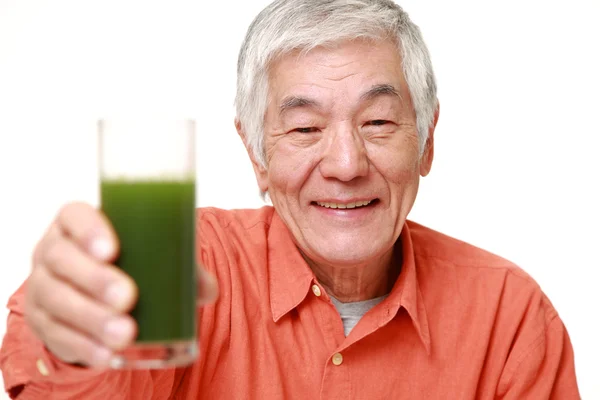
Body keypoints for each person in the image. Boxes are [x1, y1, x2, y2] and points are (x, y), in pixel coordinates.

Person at [0, 0, 580, 398]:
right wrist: (73, 335)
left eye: (378, 121)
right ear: (257, 156)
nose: (347, 165)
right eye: (304, 129)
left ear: (427, 139)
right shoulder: (184, 266)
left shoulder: (511, 314)